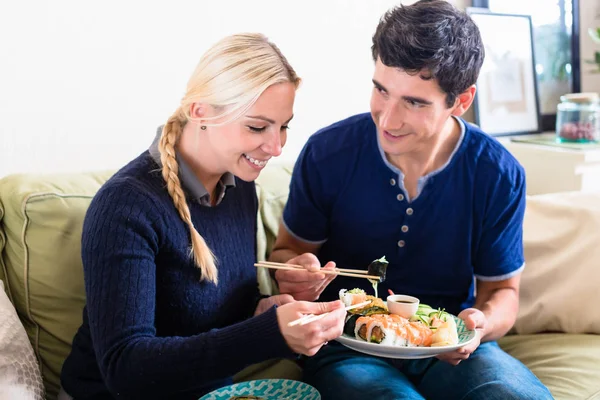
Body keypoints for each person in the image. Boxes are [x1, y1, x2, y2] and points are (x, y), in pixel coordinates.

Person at [268, 1, 554, 399]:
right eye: (381, 90)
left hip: (449, 345)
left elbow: (502, 292)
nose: (387, 119)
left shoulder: (498, 173)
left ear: (462, 100)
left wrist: (481, 325)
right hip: (347, 344)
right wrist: (295, 272)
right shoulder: (327, 153)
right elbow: (287, 252)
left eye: (415, 102)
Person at [59, 33, 346, 400]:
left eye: (284, 125)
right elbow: (125, 368)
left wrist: (269, 308)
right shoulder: (126, 206)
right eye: (257, 127)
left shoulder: (240, 186)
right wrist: (268, 334)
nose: (275, 147)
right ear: (200, 112)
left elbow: (221, 312)